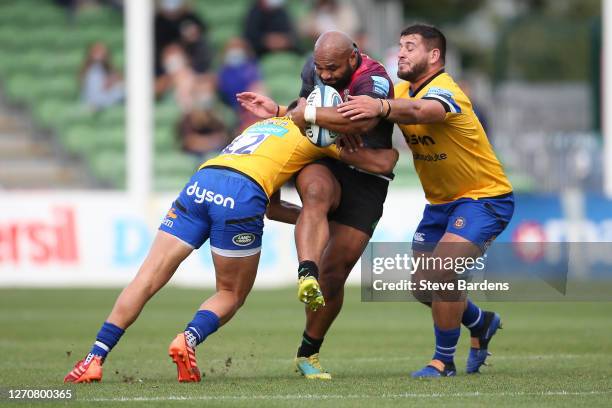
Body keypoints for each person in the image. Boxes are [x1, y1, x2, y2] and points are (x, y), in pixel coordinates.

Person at [63, 99, 398, 383]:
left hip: (203, 179)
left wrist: (314, 222)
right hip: (241, 192)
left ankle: (93, 358)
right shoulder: (316, 136)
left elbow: (274, 208)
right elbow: (385, 162)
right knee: (231, 293)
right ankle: (188, 338)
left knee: (147, 277)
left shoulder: (260, 128)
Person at [337, 24, 514, 377]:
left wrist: (381, 106)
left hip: (483, 198)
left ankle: (443, 361)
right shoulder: (401, 89)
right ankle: (480, 323)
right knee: (422, 287)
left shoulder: (447, 90)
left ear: (433, 56)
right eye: (399, 46)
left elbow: (422, 113)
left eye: (410, 47)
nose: (400, 52)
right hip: (440, 204)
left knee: (440, 273)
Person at [237, 30, 394, 379]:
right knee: (317, 196)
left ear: (353, 58)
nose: (324, 75)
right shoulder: (314, 69)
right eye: (320, 68)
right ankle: (306, 271)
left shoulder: (374, 78)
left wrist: (307, 115)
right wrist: (289, 112)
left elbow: (363, 120)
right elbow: (301, 109)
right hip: (324, 158)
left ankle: (308, 352)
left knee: (335, 274)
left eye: (332, 69)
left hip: (368, 174)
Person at [217, 37, 266, 131]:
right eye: (232, 48)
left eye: (238, 47)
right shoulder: (222, 71)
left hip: (248, 105)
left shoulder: (252, 68)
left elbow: (257, 86)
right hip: (229, 105)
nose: (235, 51)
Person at [79, 41, 124, 111]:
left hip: (104, 96)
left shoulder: (106, 67)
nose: (100, 54)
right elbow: (98, 88)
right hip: (95, 99)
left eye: (102, 52)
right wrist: (111, 82)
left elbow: (118, 78)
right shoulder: (92, 70)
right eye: (97, 52)